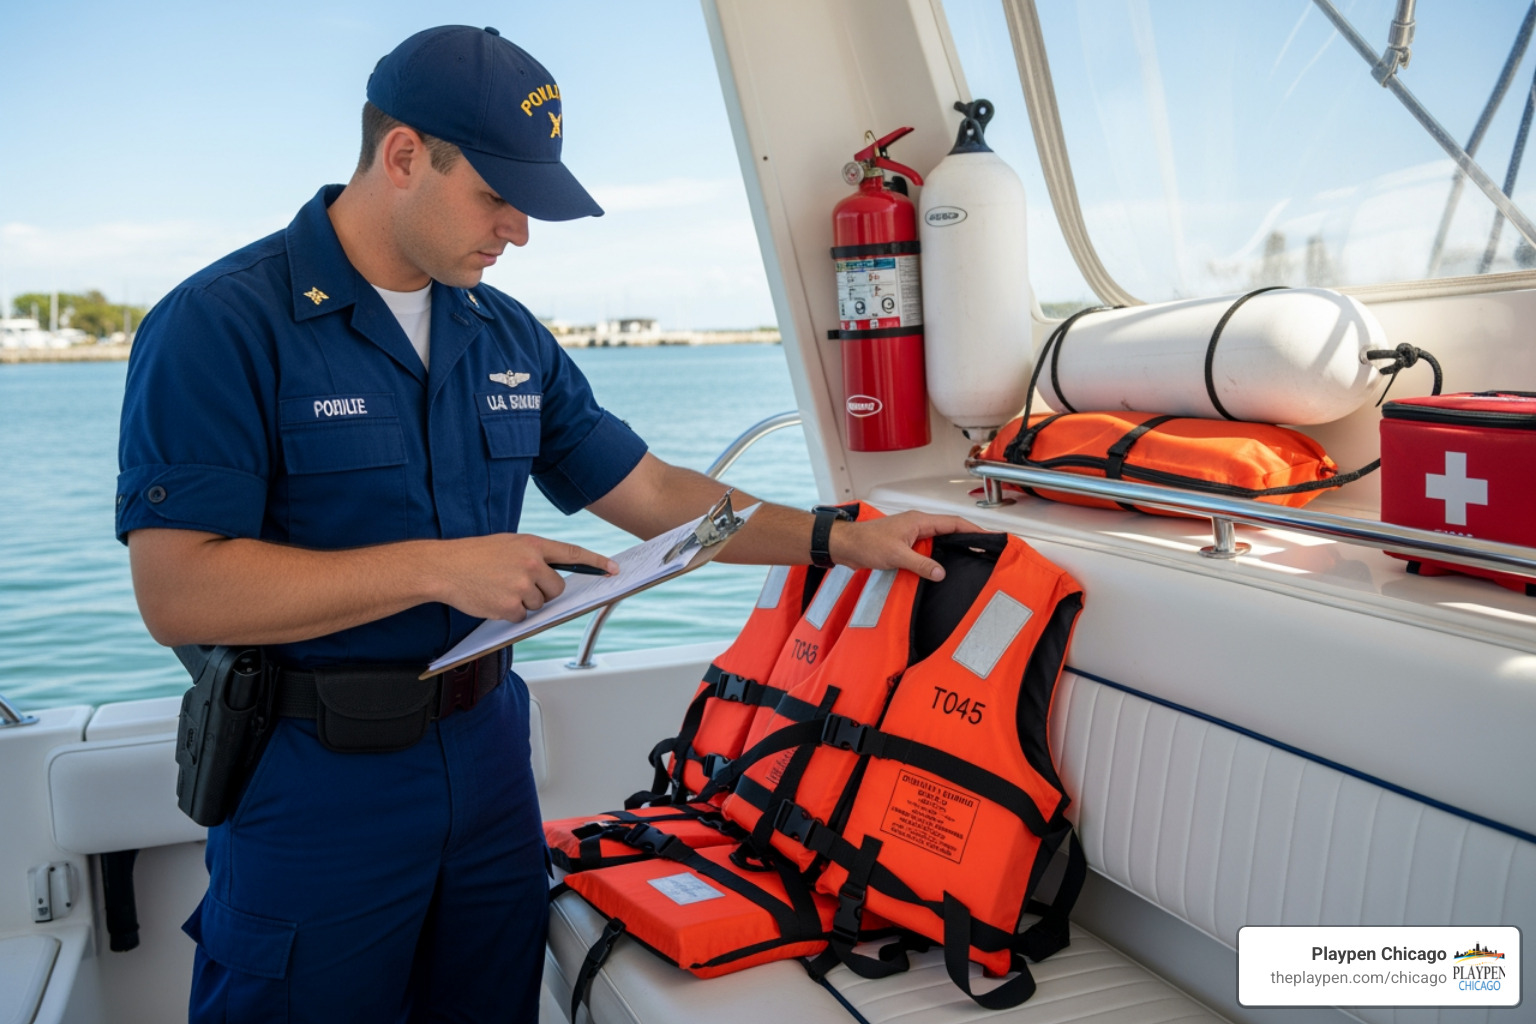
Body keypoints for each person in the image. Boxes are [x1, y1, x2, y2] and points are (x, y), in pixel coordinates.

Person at [117, 25, 975, 1023]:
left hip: (488, 766)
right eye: (498, 195)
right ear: (404, 156)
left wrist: (838, 537)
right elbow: (177, 592)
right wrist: (439, 569)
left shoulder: (506, 333)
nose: (519, 230)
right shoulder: (220, 324)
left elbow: (651, 494)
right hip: (315, 787)